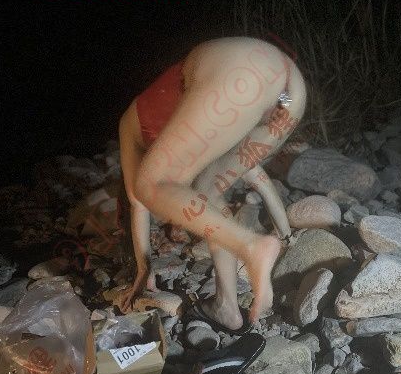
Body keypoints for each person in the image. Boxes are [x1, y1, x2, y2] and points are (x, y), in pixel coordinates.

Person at [117, 37, 306, 329]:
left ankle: (252, 247)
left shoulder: (130, 125)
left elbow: (139, 200)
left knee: (149, 185)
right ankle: (226, 306)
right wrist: (285, 232)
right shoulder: (201, 135)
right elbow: (258, 177)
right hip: (289, 94)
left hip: (245, 69)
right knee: (207, 195)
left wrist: (144, 270)